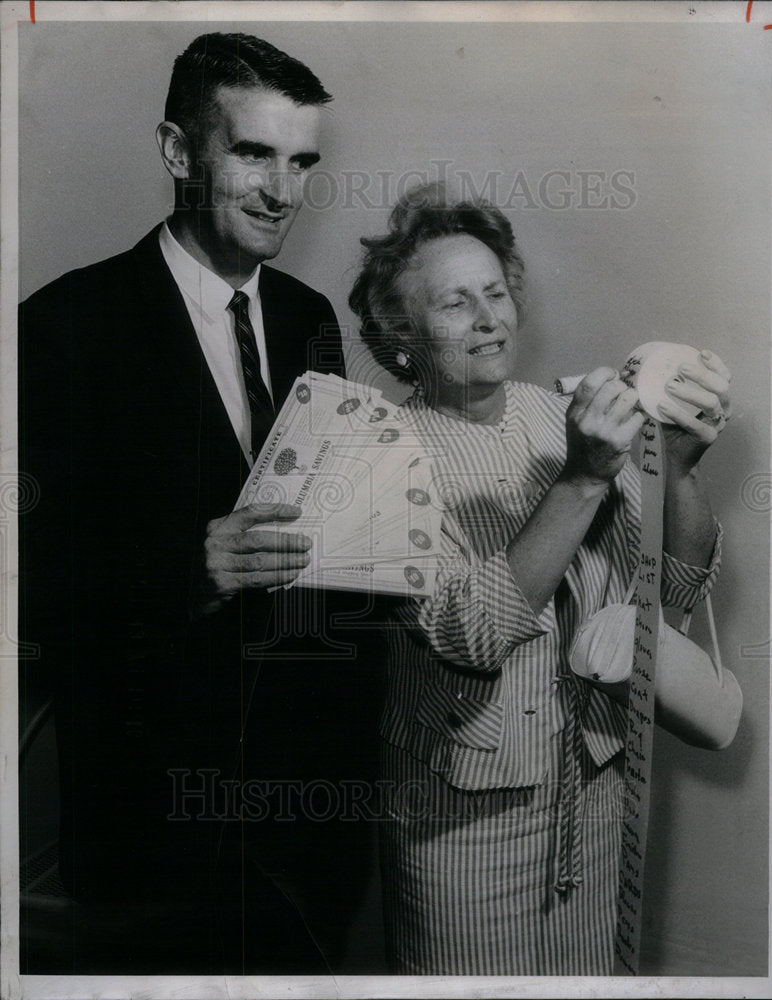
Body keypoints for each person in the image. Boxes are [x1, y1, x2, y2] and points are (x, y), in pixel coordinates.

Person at [18, 32, 380, 974]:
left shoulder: (309, 316)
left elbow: (322, 543)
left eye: (302, 161)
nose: (282, 191)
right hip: (150, 834)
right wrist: (188, 569)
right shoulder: (60, 329)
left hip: (309, 820)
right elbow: (26, 594)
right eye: (253, 153)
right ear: (179, 152)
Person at [348, 183, 731, 976]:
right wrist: (583, 480)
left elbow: (674, 599)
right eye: (456, 304)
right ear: (400, 339)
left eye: (496, 292)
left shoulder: (558, 412)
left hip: (593, 798)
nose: (490, 318)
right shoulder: (376, 452)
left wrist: (685, 474)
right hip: (460, 823)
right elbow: (470, 635)